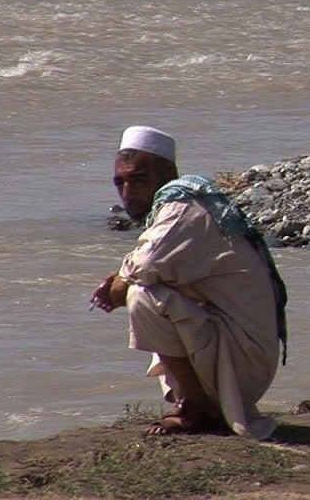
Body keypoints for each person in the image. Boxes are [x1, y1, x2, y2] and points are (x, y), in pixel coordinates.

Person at [90, 125, 288, 439]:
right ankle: (200, 402)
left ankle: (195, 406)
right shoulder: (185, 204)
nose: (127, 194)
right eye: (120, 183)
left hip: (243, 363)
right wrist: (121, 280)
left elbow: (145, 266)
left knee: (142, 294)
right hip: (236, 353)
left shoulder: (184, 209)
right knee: (149, 288)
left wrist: (117, 286)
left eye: (139, 180)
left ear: (168, 175)